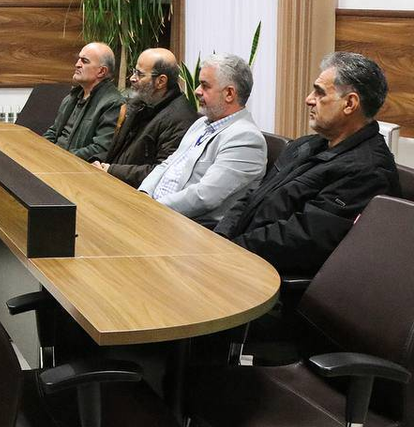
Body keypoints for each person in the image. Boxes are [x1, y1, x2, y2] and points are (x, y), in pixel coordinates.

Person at [216, 52, 399, 274]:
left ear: (350, 103)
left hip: (269, 276)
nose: (309, 99)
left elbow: (302, 239)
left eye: (320, 93)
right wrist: (220, 237)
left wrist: (231, 251)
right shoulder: (305, 145)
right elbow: (253, 196)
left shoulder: (368, 171)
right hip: (237, 255)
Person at [139, 54, 266, 227]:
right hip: (156, 212)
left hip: (187, 227)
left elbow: (205, 196)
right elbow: (168, 164)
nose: (197, 91)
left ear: (229, 93)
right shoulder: (202, 123)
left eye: (205, 86)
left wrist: (152, 208)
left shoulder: (246, 139)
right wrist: (143, 194)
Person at [94, 48, 198, 186]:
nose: (132, 78)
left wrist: (112, 170)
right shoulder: (140, 103)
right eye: (134, 71)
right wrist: (97, 162)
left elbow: (163, 172)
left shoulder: (180, 119)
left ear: (161, 81)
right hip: (113, 181)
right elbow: (118, 151)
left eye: (140, 74)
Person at [42, 42, 122, 161]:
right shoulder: (72, 96)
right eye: (78, 59)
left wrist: (59, 158)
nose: (77, 64)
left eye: (84, 61)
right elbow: (53, 132)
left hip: (71, 166)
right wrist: (39, 150)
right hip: (53, 160)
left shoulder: (113, 104)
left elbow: (100, 149)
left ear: (101, 71)